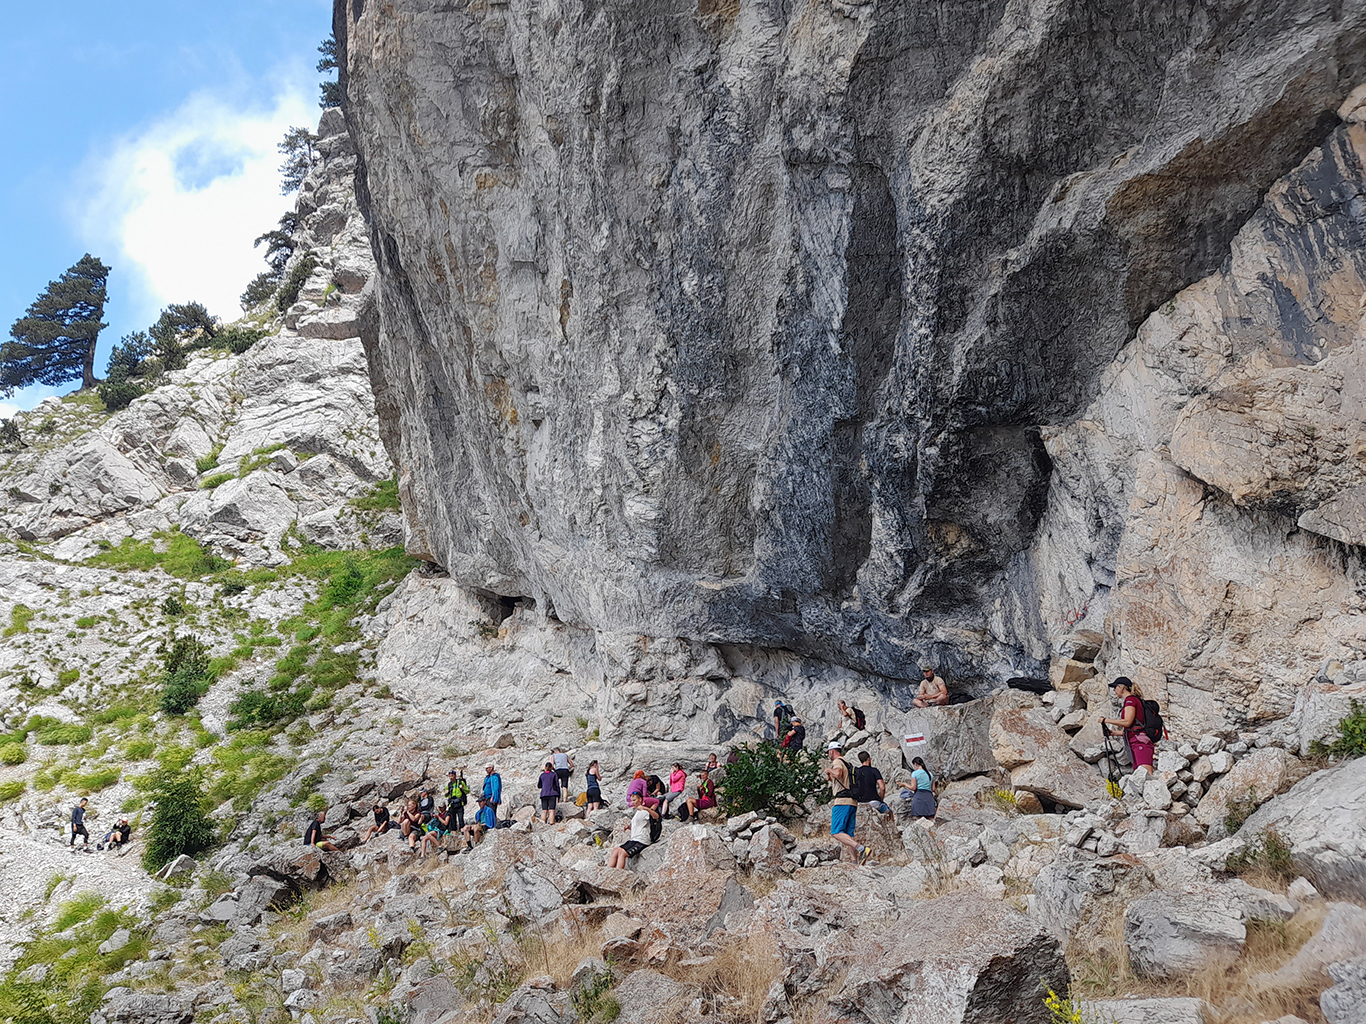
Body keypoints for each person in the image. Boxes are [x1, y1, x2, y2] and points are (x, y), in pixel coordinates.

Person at [1100, 677, 1155, 776]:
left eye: (1115, 687)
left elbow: (1127, 722)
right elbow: (1133, 727)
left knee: (1145, 773)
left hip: (1139, 742)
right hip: (1136, 741)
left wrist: (1106, 720)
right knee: (1140, 775)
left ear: (1122, 687)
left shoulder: (1131, 700)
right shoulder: (1134, 700)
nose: (1114, 690)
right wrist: (1114, 733)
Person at [825, 743, 869, 864]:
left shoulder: (837, 761)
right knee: (849, 834)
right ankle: (854, 862)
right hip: (852, 802)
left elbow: (838, 773)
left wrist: (829, 769)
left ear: (832, 751)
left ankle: (862, 849)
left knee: (836, 832)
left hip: (842, 802)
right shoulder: (847, 763)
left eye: (829, 752)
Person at [606, 792, 658, 869]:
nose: (632, 802)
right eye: (632, 800)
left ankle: (618, 873)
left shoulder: (645, 811)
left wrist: (646, 808)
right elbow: (639, 825)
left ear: (640, 799)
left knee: (622, 853)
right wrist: (629, 827)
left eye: (634, 800)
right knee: (615, 851)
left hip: (641, 840)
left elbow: (656, 816)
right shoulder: (638, 812)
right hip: (634, 839)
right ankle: (608, 871)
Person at [898, 757, 937, 823]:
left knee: (919, 820)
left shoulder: (915, 773)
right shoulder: (930, 774)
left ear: (915, 764)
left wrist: (904, 784)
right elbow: (933, 789)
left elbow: (913, 788)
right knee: (930, 820)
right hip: (929, 798)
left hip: (919, 797)